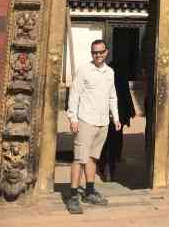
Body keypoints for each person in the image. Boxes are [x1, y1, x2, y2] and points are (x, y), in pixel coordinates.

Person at [66, 39, 121, 215]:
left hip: (103, 121)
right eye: (94, 53)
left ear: (106, 52)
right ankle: (73, 195)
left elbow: (112, 96)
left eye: (100, 52)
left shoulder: (109, 72)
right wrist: (73, 118)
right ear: (92, 54)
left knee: (92, 158)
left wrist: (116, 117)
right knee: (79, 158)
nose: (97, 55)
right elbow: (74, 94)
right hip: (85, 120)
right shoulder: (84, 71)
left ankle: (89, 191)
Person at [98, 59, 136, 182]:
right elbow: (126, 95)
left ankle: (104, 164)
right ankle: (111, 164)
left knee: (104, 141)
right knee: (115, 140)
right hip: (116, 115)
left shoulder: (104, 79)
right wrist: (131, 111)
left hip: (107, 115)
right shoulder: (120, 79)